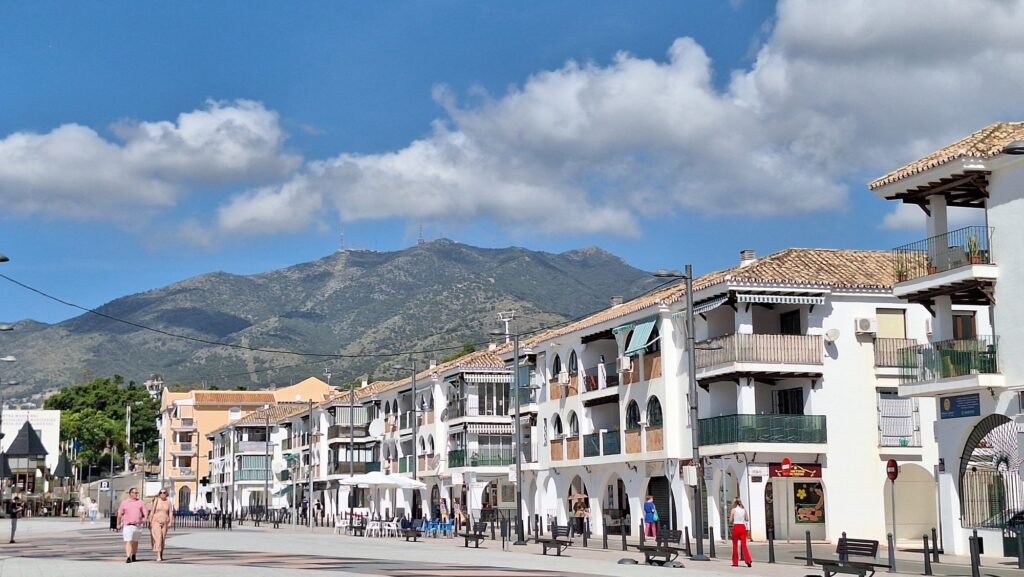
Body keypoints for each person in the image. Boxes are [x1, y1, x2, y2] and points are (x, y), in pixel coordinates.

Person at [116, 488, 148, 563]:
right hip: (128, 525)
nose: (136, 494)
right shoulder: (124, 502)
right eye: (134, 493)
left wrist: (145, 517)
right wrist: (118, 524)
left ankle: (134, 554)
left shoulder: (140, 502)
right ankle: (128, 556)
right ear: (130, 493)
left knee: (135, 541)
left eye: (137, 493)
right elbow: (119, 514)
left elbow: (145, 511)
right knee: (128, 540)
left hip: (138, 525)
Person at [150, 489, 173, 562]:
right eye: (161, 492)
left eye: (164, 492)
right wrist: (150, 521)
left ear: (167, 494)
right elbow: (152, 511)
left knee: (162, 539)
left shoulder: (169, 502)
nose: (162, 494)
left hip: (165, 521)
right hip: (156, 521)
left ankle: (161, 554)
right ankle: (158, 555)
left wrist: (170, 522)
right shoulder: (156, 501)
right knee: (158, 538)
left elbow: (170, 513)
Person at [729, 498, 752, 567]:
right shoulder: (743, 510)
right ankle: (748, 560)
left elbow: (730, 520)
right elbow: (747, 519)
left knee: (735, 545)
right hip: (742, 527)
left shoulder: (733, 510)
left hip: (736, 527)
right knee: (744, 545)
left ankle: (735, 562)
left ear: (735, 503)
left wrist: (730, 518)